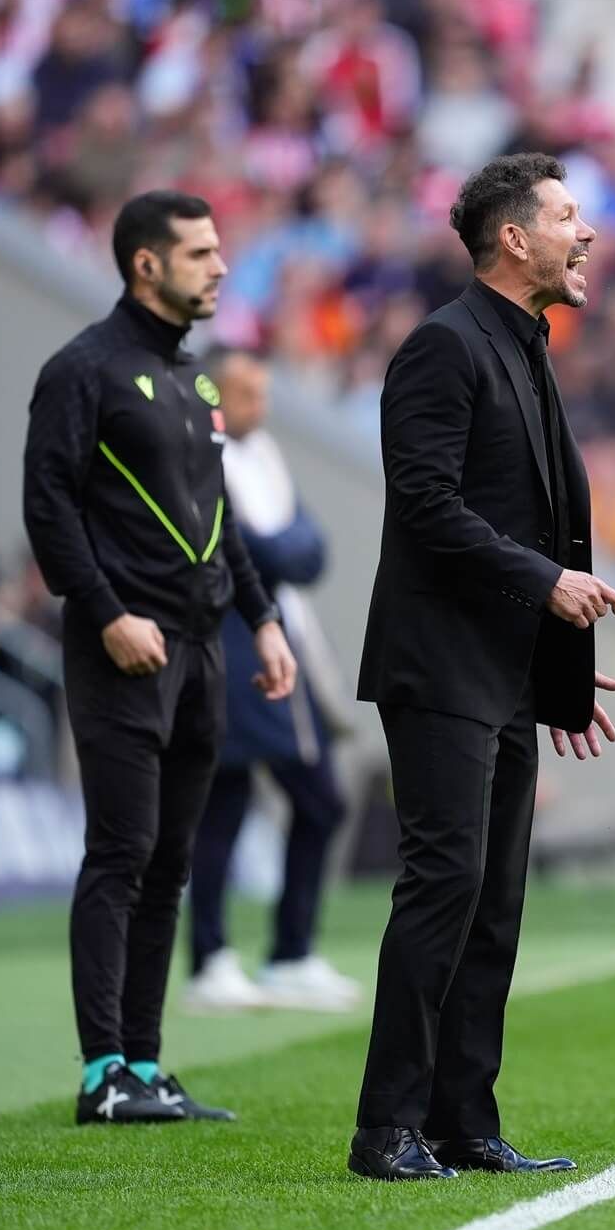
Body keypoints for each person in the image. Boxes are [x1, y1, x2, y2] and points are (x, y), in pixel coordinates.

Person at [351, 153, 615, 1182]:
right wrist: (547, 584)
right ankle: (386, 1127)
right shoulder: (444, 346)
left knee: (494, 900)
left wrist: (561, 666)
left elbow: (525, 515)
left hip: (502, 672)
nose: (584, 233)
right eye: (565, 216)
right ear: (514, 238)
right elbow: (426, 505)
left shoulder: (525, 346)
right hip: (440, 667)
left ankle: (464, 1121)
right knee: (445, 884)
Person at [23, 190, 297, 1126]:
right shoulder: (83, 370)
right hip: (126, 650)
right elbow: (48, 507)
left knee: (171, 859)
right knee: (121, 853)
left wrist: (262, 620)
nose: (220, 267)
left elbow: (218, 520)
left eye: (219, 251)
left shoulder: (197, 382)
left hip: (203, 651)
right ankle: (102, 1073)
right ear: (147, 264)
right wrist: (105, 614)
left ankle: (143, 1063)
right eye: (200, 253)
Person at [184, 348, 360, 1014]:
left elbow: (308, 550)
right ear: (214, 395)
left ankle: (278, 953)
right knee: (246, 803)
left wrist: (281, 549)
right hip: (234, 649)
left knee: (274, 803)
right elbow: (253, 551)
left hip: (279, 641)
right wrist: (281, 549)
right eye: (247, 393)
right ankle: (220, 959)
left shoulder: (263, 454)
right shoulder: (199, 459)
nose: (261, 405)